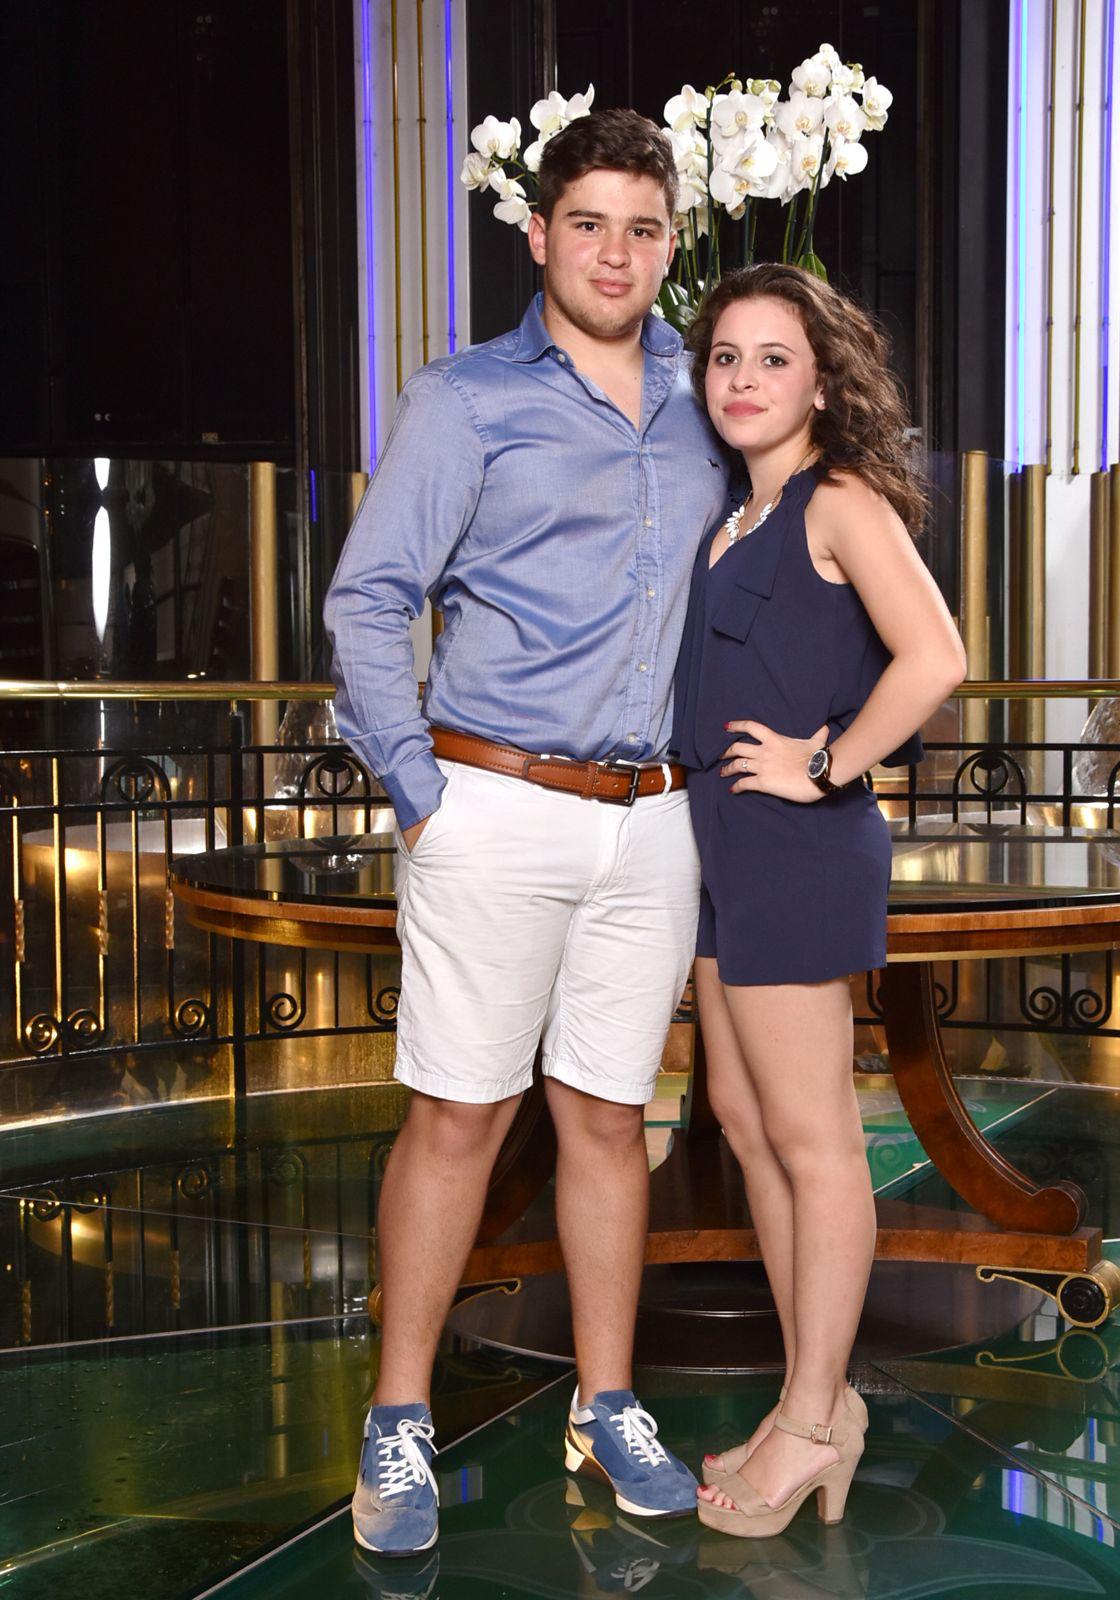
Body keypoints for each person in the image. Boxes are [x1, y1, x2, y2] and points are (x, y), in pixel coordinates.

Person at [323, 109, 731, 1556]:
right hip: (493, 801)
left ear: (672, 243)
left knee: (610, 1124)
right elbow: (369, 597)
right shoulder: (468, 398)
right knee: (458, 1118)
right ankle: (396, 1424)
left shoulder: (711, 396)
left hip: (655, 822)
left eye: (643, 226)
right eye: (589, 222)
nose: (614, 251)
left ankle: (605, 1405)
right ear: (538, 232)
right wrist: (422, 795)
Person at [670, 263, 967, 1538]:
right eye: (724, 357)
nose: (742, 379)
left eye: (771, 357)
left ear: (823, 378)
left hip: (795, 844)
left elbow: (938, 655)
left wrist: (827, 761)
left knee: (812, 1139)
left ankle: (809, 1416)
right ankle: (817, 1397)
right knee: (742, 1119)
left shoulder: (838, 498)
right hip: (713, 840)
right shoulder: (731, 517)